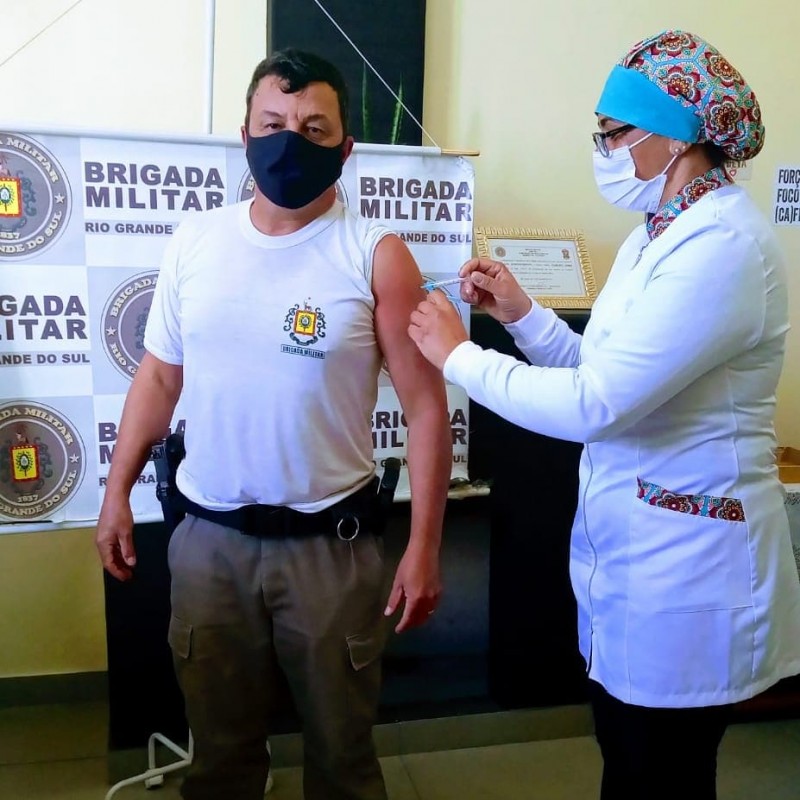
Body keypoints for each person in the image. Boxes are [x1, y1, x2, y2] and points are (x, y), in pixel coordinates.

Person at [408, 29, 800, 800]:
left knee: (662, 775)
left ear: (677, 134)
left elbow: (594, 404)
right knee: (630, 761)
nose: (604, 150)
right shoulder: (654, 235)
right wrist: (522, 316)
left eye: (613, 133)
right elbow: (601, 367)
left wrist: (459, 357)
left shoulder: (724, 247)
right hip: (637, 560)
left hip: (689, 574)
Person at [96, 48, 451, 800]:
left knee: (342, 760)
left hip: (331, 550)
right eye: (273, 123)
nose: (291, 141)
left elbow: (426, 408)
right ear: (246, 134)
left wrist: (424, 546)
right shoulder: (196, 241)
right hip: (209, 546)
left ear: (345, 148)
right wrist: (114, 491)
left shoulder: (377, 257)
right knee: (220, 761)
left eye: (314, 128)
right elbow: (158, 378)